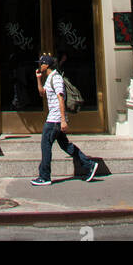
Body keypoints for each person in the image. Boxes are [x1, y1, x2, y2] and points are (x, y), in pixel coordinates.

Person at [30, 53, 98, 185]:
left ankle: (44, 176)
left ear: (46, 65)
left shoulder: (56, 78)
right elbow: (41, 93)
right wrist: (38, 78)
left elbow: (61, 98)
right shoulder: (49, 77)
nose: (39, 66)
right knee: (66, 145)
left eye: (41, 63)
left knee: (45, 146)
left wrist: (63, 120)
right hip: (55, 119)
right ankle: (89, 164)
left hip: (54, 120)